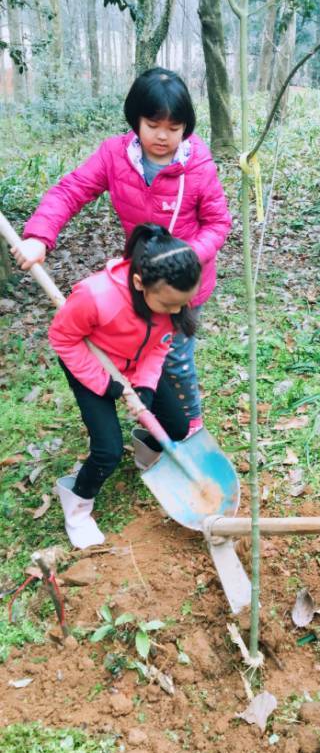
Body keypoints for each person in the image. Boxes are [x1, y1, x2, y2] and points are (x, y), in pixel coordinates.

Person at [11, 67, 232, 432]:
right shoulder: (115, 156)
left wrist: (186, 257)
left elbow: (218, 224)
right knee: (142, 348)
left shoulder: (198, 167)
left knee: (175, 358)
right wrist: (39, 235)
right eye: (152, 125)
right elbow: (72, 190)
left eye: (174, 129)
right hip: (142, 281)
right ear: (136, 120)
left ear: (186, 128)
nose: (163, 137)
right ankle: (151, 414)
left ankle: (190, 423)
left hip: (182, 284)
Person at [49, 224, 201, 550]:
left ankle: (147, 453)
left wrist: (144, 386)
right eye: (169, 305)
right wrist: (106, 385)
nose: (176, 312)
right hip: (90, 364)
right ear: (138, 283)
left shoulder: (172, 297)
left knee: (175, 425)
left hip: (137, 361)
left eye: (182, 305)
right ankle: (77, 508)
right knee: (108, 451)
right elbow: (63, 339)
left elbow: (160, 345)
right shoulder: (95, 296)